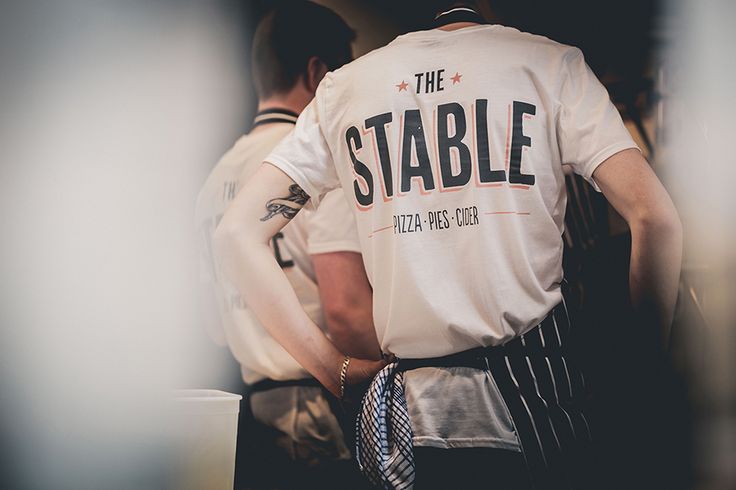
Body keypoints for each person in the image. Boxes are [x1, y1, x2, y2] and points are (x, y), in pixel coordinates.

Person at [215, 1, 682, 488]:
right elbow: (656, 217)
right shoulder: (547, 64)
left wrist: (334, 369)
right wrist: (641, 378)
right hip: (537, 401)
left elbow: (236, 234)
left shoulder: (345, 89)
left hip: (411, 424)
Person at [195, 2, 380, 488]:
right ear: (320, 74)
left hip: (254, 412)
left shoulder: (212, 182)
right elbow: (347, 310)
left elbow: (215, 328)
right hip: (327, 405)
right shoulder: (321, 162)